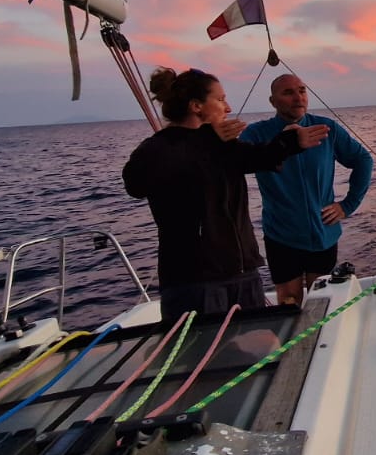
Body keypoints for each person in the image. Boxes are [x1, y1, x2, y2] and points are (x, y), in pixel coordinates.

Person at [123, 67, 328, 321]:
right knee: (202, 359)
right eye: (220, 99)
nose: (228, 107)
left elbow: (257, 157)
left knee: (255, 354)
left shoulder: (220, 145)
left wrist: (289, 143)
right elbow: (135, 184)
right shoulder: (159, 147)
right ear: (197, 106)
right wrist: (205, 139)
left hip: (243, 275)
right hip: (195, 283)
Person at [239, 73, 374, 306]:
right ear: (273, 101)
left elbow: (363, 160)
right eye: (288, 92)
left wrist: (347, 205)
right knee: (288, 301)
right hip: (281, 234)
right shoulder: (257, 134)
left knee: (320, 301)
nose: (298, 97)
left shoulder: (326, 128)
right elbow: (236, 162)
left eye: (302, 90)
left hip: (324, 233)